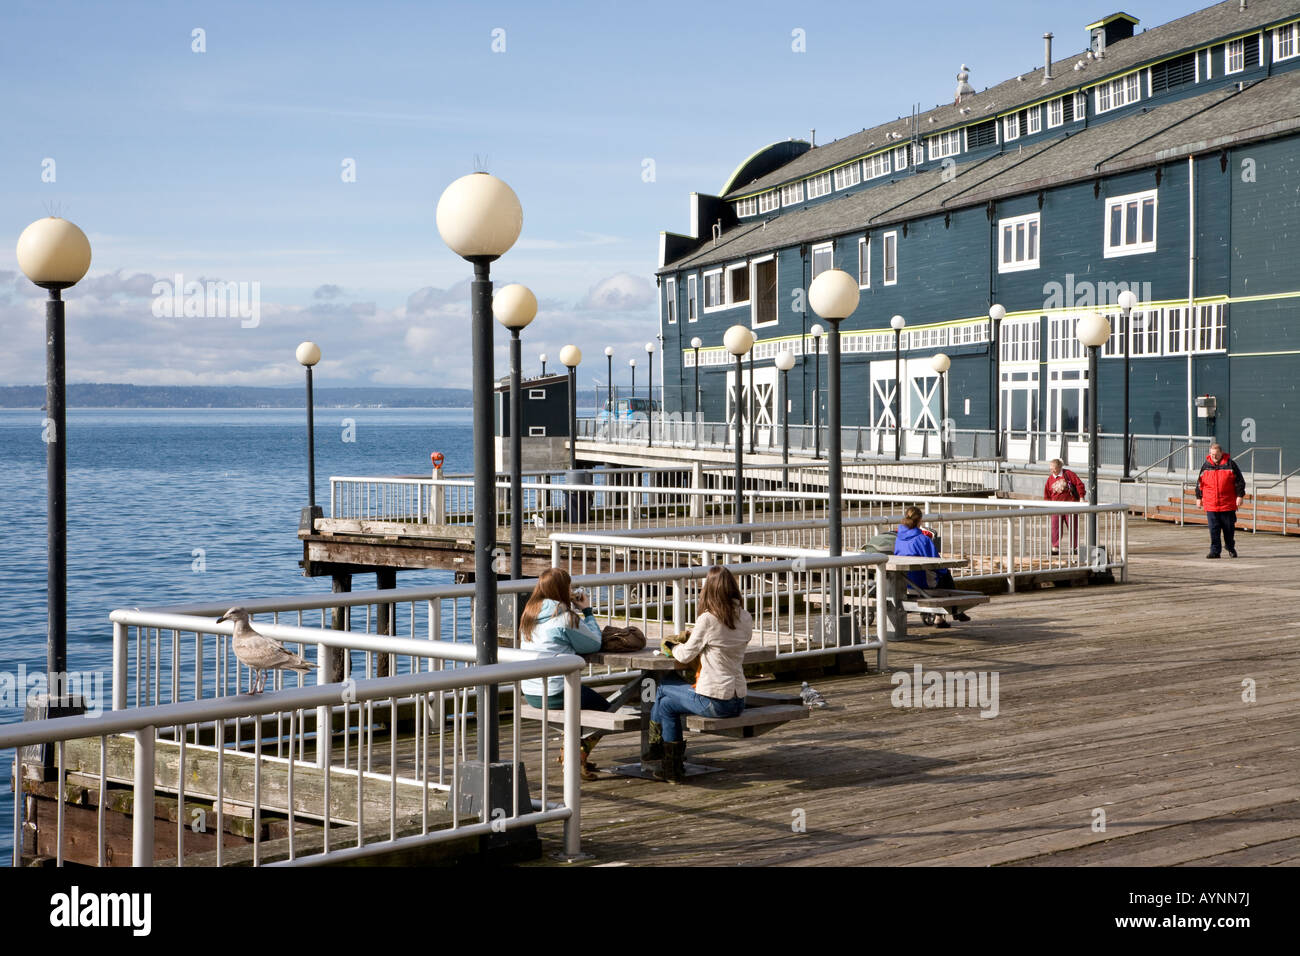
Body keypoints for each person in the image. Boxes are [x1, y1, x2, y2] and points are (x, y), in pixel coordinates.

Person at [648, 566, 750, 784]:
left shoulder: (708, 619)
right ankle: (668, 765)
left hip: (715, 701)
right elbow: (723, 641)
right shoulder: (745, 617)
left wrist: (671, 647)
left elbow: (684, 656)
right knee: (666, 701)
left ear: (708, 590)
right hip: (738, 699)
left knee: (664, 690)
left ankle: (658, 748)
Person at [519, 568, 609, 780]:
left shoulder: (529, 614)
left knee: (579, 705)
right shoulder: (565, 618)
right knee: (606, 709)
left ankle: (571, 753)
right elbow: (594, 644)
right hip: (556, 690)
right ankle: (576, 755)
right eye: (568, 586)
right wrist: (586, 611)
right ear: (562, 590)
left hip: (531, 691)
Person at [893, 506, 971, 627]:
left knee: (942, 575)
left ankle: (947, 616)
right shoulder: (923, 539)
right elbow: (936, 562)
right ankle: (956, 611)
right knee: (945, 575)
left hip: (904, 581)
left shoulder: (899, 538)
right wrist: (944, 572)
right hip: (922, 582)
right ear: (919, 521)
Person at [1196, 442, 1245, 559]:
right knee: (1214, 530)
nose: (1214, 457)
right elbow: (1199, 484)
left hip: (1227, 504)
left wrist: (1240, 496)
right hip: (1211, 504)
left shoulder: (1230, 464)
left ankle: (1230, 546)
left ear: (1221, 453)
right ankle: (1215, 551)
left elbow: (1240, 482)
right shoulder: (1206, 466)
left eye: (1216, 454)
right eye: (1212, 454)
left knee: (1229, 530)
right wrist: (1198, 497)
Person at [1043, 458, 1086, 555]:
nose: (1052, 471)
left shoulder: (1068, 474)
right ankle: (1055, 547)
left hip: (1069, 505)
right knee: (1055, 527)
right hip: (1055, 507)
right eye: (1051, 469)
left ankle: (1074, 547)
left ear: (1059, 467)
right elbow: (1047, 494)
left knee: (1072, 526)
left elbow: (1079, 484)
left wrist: (1081, 497)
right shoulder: (1050, 479)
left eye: (1054, 469)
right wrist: (1047, 505)